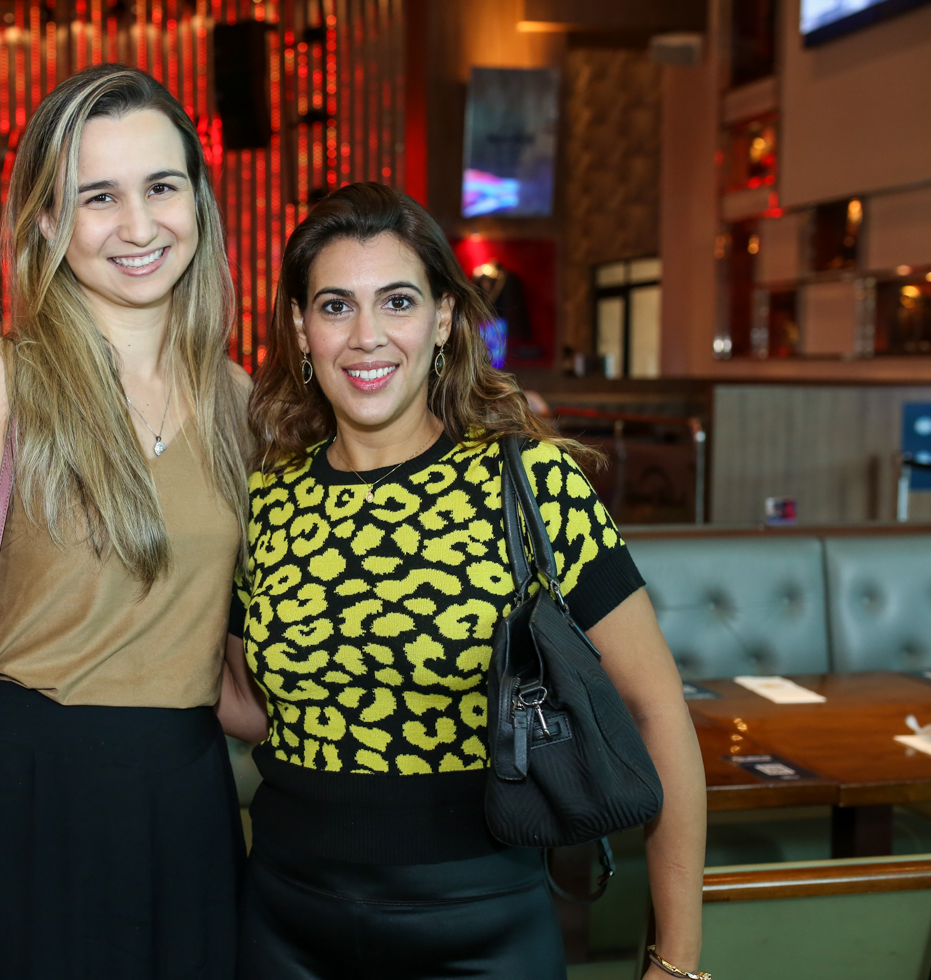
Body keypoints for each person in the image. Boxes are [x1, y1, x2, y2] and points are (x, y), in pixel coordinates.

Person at [224, 183, 706, 980]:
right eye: (337, 306)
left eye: (398, 302)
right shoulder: (266, 499)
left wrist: (677, 961)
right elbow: (252, 705)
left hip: (482, 931)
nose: (367, 336)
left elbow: (658, 712)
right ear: (302, 330)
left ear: (444, 318)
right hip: (283, 922)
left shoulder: (531, 483)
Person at [0, 64, 253, 980]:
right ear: (46, 221)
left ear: (197, 200)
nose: (138, 226)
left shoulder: (241, 401)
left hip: (188, 799)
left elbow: (236, 647)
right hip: (28, 791)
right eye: (97, 197)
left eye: (162, 187)